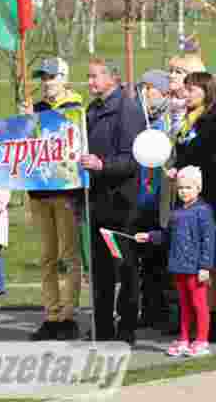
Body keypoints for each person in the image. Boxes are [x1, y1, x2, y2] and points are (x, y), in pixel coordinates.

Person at [82, 57, 147, 343]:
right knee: (100, 270)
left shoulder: (127, 110)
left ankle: (127, 327)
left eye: (95, 76)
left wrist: (102, 165)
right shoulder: (93, 109)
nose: (90, 81)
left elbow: (133, 160)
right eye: (89, 76)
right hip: (97, 201)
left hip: (122, 205)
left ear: (113, 78)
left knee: (125, 266)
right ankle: (102, 326)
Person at [22, 57, 85, 341]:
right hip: (39, 191)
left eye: (51, 77)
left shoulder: (76, 108)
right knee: (46, 257)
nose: (46, 83)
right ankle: (51, 314)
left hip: (66, 193)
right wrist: (24, 124)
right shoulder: (36, 109)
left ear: (64, 78)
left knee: (69, 256)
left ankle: (68, 316)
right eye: (43, 78)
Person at [166, 71, 216, 342]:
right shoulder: (187, 120)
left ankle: (210, 317)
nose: (186, 93)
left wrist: (183, 170)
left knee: (207, 257)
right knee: (188, 255)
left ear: (206, 92)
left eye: (192, 90)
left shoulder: (211, 119)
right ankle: (192, 316)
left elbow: (202, 154)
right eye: (186, 89)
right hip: (186, 195)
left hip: (207, 198)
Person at [136, 166, 216, 357]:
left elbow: (209, 240)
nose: (183, 192)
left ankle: (202, 340)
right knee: (184, 306)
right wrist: (149, 236)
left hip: (196, 269)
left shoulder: (203, 211)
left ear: (198, 188)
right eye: (180, 188)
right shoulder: (176, 213)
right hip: (179, 267)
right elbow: (166, 236)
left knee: (199, 304)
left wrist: (205, 267)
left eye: (188, 187)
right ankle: (184, 338)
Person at [136, 69, 173, 330]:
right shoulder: (140, 121)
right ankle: (148, 310)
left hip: (163, 201)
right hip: (142, 200)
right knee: (146, 260)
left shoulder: (169, 122)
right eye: (142, 88)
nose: (144, 94)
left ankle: (164, 311)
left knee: (162, 259)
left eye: (150, 88)